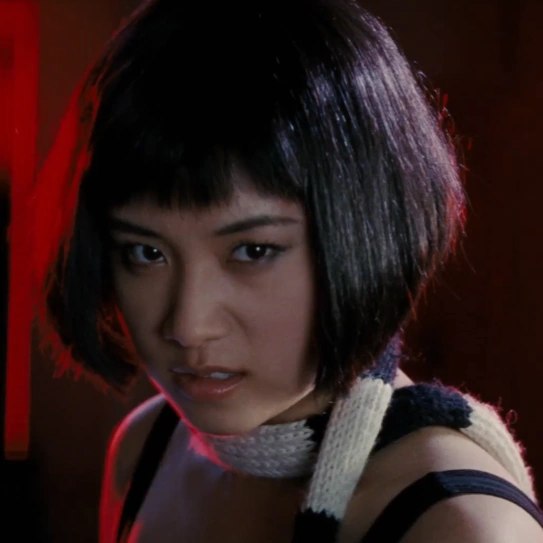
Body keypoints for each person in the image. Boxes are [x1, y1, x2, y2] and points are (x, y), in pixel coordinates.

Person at [30, 0, 543, 542]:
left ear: (367, 232)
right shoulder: (146, 448)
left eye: (253, 251)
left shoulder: (459, 527)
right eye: (145, 253)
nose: (189, 326)